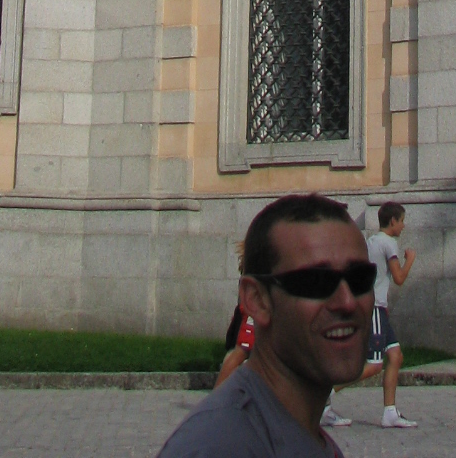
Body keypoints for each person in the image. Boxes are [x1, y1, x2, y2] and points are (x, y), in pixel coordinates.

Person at [158, 193, 373, 455]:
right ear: (257, 300)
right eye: (316, 282)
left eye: (360, 278)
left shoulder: (300, 434)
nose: (347, 302)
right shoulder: (221, 447)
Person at [364, 201, 417, 430]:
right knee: (375, 365)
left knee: (395, 356)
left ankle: (390, 413)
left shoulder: (372, 241)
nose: (404, 226)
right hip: (375, 307)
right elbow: (399, 278)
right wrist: (410, 260)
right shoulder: (389, 243)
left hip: (377, 308)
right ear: (393, 221)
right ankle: (326, 396)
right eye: (402, 220)